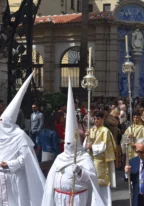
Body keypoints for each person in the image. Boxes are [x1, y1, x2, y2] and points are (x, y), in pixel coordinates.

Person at [42, 78, 104, 206]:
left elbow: (91, 178)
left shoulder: (84, 158)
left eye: (70, 144)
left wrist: (81, 172)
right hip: (59, 197)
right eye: (66, 143)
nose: (68, 145)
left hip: (76, 198)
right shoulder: (60, 158)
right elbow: (50, 180)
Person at [0, 72, 45, 206]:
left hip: (15, 177)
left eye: (3, 121)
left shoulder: (20, 136)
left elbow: (26, 158)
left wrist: (10, 164)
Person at [85, 111, 117, 206]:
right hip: (91, 160)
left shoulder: (105, 131)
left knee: (101, 184)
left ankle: (103, 203)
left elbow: (105, 146)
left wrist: (93, 147)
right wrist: (86, 138)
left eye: (98, 119)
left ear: (102, 119)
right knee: (91, 183)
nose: (96, 121)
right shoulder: (91, 130)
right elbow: (85, 146)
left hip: (101, 161)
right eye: (94, 118)